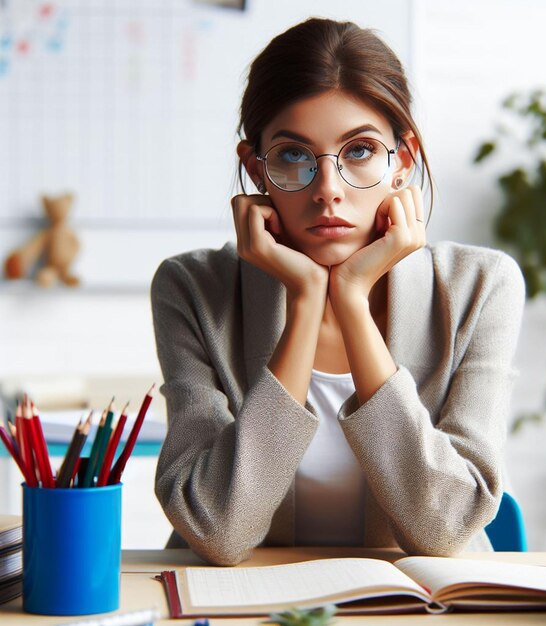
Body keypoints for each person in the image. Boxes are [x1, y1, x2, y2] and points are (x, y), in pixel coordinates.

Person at [151, 17, 525, 566]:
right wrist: (305, 301)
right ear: (255, 168)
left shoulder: (480, 287)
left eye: (359, 151)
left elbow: (444, 529)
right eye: (293, 155)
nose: (328, 190)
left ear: (403, 160)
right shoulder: (192, 288)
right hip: (246, 607)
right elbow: (217, 529)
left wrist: (350, 299)